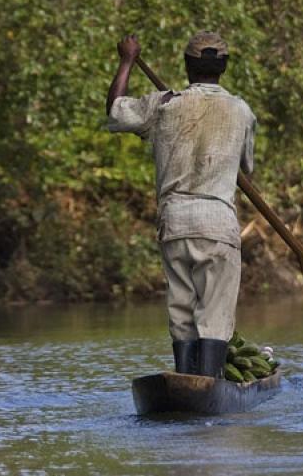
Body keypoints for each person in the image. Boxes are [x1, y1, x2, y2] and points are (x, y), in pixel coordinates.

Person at [105, 32, 256, 378]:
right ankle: (208, 386)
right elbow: (247, 167)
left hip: (175, 223)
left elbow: (115, 111)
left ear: (187, 66)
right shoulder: (241, 111)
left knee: (182, 311)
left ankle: (187, 383)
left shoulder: (162, 105)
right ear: (225, 68)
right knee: (214, 315)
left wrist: (127, 61)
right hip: (218, 223)